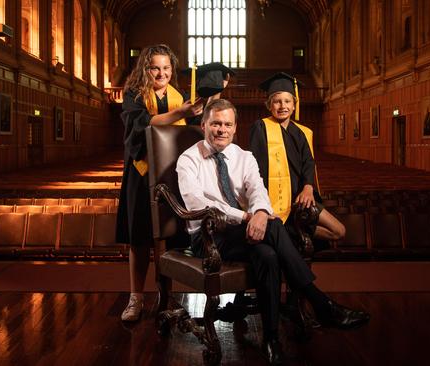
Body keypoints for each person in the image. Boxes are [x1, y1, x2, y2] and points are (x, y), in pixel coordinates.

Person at [177, 99, 369, 364]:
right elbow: (199, 204)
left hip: (243, 231)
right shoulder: (189, 159)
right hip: (209, 236)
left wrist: (260, 213)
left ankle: (271, 338)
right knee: (275, 227)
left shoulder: (244, 157)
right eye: (216, 124)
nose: (222, 129)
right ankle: (320, 303)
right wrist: (248, 216)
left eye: (227, 124)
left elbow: (258, 190)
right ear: (204, 125)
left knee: (267, 255)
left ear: (235, 129)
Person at [117, 45, 230, 322]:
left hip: (172, 175)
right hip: (141, 174)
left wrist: (215, 93)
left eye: (167, 68)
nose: (162, 73)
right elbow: (144, 125)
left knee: (168, 240)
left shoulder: (179, 97)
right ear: (145, 68)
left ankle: (165, 296)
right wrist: (181, 113)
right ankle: (136, 297)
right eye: (156, 67)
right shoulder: (134, 95)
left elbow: (201, 123)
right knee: (140, 238)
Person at [249, 72, 345, 249]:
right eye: (277, 101)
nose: (282, 106)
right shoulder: (261, 127)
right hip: (272, 198)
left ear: (294, 105)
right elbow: (255, 167)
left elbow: (309, 162)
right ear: (269, 105)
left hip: (300, 197)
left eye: (287, 101)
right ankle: (289, 233)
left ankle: (291, 231)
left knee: (339, 231)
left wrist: (308, 188)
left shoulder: (303, 132)